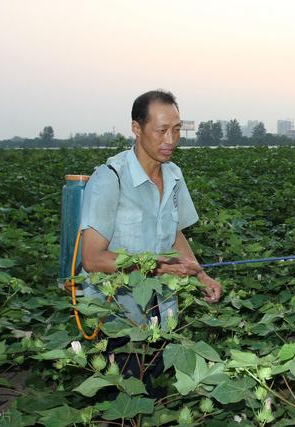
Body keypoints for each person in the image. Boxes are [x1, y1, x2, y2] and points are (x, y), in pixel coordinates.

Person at [79, 89, 222, 395]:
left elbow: (174, 233)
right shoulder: (109, 179)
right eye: (161, 130)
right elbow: (92, 258)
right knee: (122, 400)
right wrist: (160, 268)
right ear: (136, 128)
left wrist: (200, 275)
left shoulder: (174, 176)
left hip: (161, 313)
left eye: (176, 129)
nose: (170, 139)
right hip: (116, 313)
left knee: (153, 397)